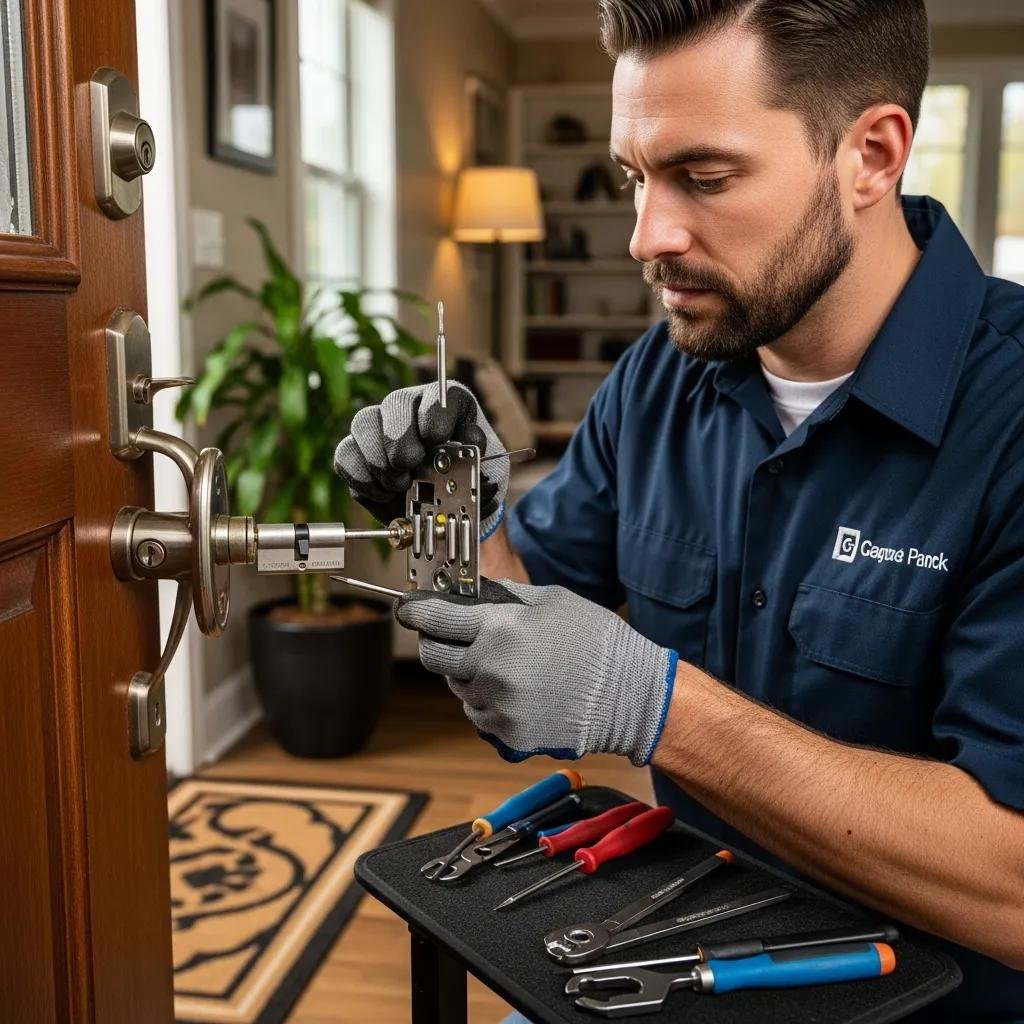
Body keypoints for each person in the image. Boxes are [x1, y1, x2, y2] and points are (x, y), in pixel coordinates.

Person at [335, 1, 1024, 1018]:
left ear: (871, 156)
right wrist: (454, 522)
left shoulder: (1007, 415)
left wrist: (656, 707)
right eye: (633, 178)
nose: (645, 235)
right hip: (662, 953)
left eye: (703, 177)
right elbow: (508, 633)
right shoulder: (657, 379)